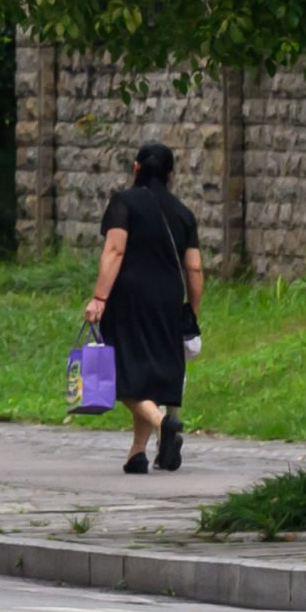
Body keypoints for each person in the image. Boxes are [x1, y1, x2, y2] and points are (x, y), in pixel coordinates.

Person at [84, 141, 205, 475]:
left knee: (121, 373)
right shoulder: (183, 213)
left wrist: (99, 298)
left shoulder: (123, 203)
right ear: (170, 174)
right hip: (167, 299)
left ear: (136, 168)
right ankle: (137, 453)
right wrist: (190, 312)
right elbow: (194, 268)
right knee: (150, 373)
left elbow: (115, 251)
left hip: (128, 298)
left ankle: (162, 423)